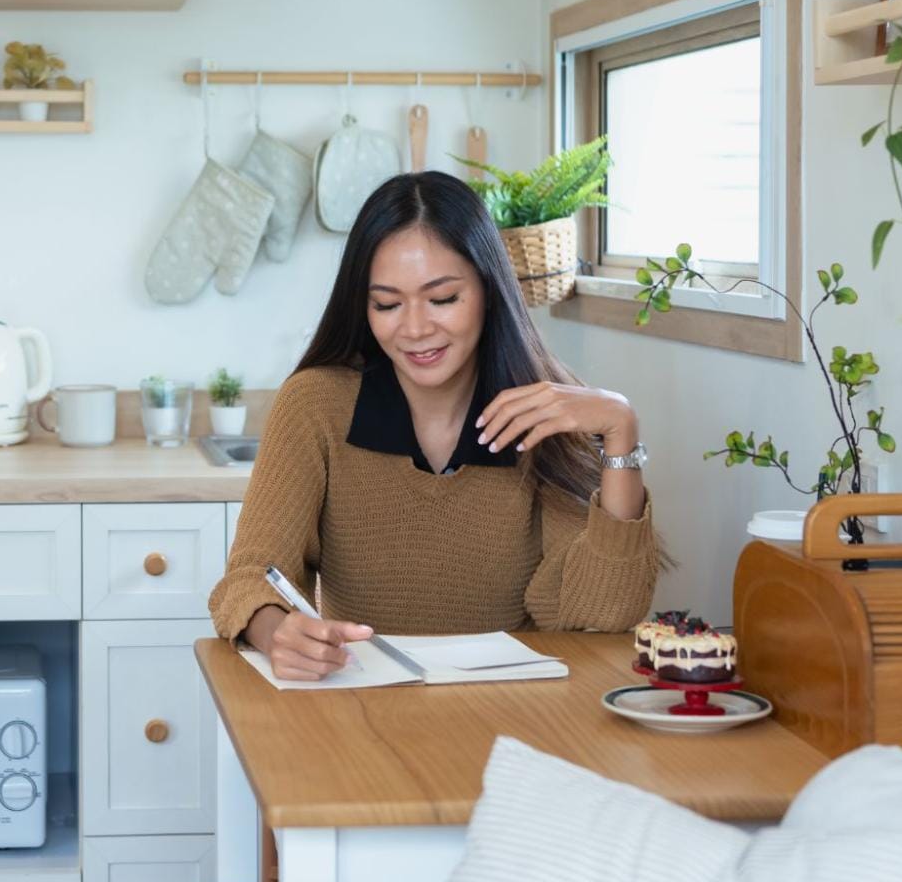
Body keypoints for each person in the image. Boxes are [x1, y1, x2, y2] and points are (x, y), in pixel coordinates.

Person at [208, 171, 659, 681]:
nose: (416, 328)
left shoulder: (546, 413)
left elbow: (600, 618)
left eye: (442, 298)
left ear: (489, 291)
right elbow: (248, 578)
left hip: (515, 707)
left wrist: (621, 430)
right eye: (387, 304)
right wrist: (275, 631)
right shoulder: (316, 404)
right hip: (361, 701)